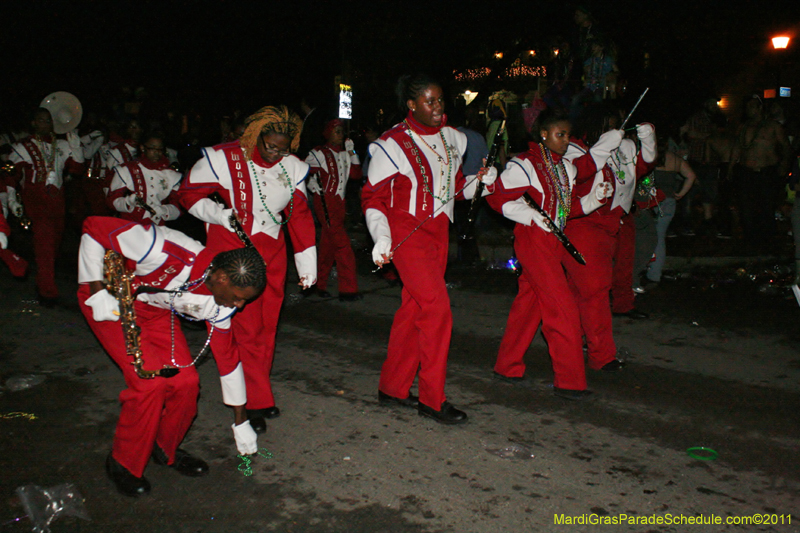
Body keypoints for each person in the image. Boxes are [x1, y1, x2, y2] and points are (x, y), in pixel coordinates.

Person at [78, 216, 267, 496]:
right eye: (238, 297)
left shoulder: (222, 301)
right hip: (111, 298)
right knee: (149, 384)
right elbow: (93, 227)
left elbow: (228, 358)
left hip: (153, 311)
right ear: (222, 278)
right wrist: (95, 290)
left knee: (186, 382)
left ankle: (165, 448)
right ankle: (123, 462)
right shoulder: (160, 247)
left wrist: (241, 420)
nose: (239, 306)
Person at [362, 73, 496, 424]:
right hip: (406, 233)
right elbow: (372, 197)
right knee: (437, 312)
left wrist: (479, 183)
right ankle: (432, 399)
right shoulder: (391, 144)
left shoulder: (454, 138)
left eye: (440, 100)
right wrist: (382, 237)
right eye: (429, 101)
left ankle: (392, 387)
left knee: (413, 310)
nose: (438, 108)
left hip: (439, 232)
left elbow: (453, 191)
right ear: (411, 104)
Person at [178, 105, 316, 434]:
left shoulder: (293, 166)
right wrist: (218, 214)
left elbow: (299, 215)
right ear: (255, 136)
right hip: (233, 252)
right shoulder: (222, 158)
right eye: (270, 146)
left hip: (273, 253)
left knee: (267, 327)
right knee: (247, 329)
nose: (276, 154)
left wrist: (306, 260)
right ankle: (254, 400)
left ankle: (256, 389)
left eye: (284, 148)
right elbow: (186, 194)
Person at [487, 107, 620, 400]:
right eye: (559, 135)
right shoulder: (525, 164)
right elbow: (496, 197)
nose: (564, 141)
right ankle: (569, 381)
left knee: (529, 305)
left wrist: (592, 201)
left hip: (554, 241)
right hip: (534, 241)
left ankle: (507, 365)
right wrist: (528, 215)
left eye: (567, 135)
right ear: (543, 134)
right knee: (562, 309)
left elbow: (564, 210)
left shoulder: (564, 168)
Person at [6, 107, 84, 304]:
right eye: (40, 120)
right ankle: (47, 292)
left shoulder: (63, 145)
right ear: (33, 123)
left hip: (57, 202)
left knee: (53, 245)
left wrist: (77, 150)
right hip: (36, 200)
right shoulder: (23, 147)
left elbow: (76, 170)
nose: (45, 124)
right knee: (45, 245)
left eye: (48, 121)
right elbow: (11, 176)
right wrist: (12, 201)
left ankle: (43, 280)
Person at [305, 119, 363, 300]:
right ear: (328, 133)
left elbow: (356, 174)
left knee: (327, 245)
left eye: (341, 131)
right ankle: (348, 289)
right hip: (325, 201)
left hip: (340, 202)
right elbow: (303, 170)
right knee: (343, 246)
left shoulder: (346, 154)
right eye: (336, 131)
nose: (340, 134)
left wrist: (352, 151)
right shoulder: (318, 153)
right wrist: (312, 182)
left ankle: (318, 284)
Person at [727, 95, 791, 250]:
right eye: (747, 106)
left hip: (766, 172)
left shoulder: (773, 126)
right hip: (746, 172)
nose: (749, 110)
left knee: (766, 206)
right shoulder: (743, 127)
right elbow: (737, 149)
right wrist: (730, 168)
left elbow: (786, 148)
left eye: (752, 106)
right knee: (746, 207)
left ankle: (767, 240)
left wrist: (784, 166)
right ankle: (750, 240)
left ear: (759, 107)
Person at [642, 136, 696, 285]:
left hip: (651, 202)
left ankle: (650, 271)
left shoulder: (649, 157)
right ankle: (654, 272)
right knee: (659, 237)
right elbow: (691, 175)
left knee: (647, 237)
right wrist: (681, 193)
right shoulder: (675, 159)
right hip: (669, 201)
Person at [107, 132, 182, 226]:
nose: (157, 152)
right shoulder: (126, 170)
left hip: (157, 226)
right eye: (152, 148)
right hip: (129, 224)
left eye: (160, 149)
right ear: (142, 148)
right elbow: (111, 200)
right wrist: (128, 202)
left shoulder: (171, 174)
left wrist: (165, 210)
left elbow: (179, 205)